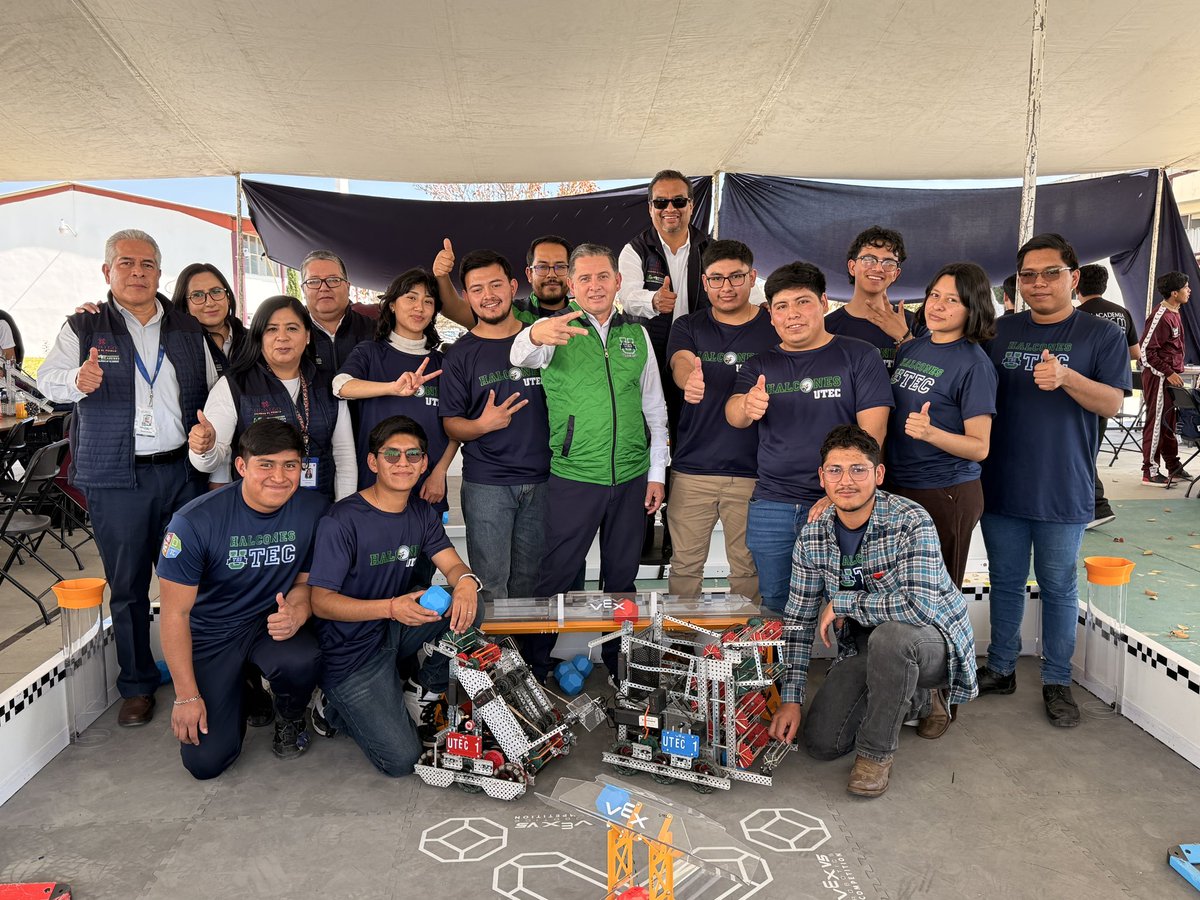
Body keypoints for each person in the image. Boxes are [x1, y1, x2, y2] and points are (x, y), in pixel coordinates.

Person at [37, 228, 217, 727]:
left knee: (195, 580)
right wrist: (77, 380)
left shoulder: (187, 327)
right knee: (129, 585)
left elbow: (213, 388)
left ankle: (205, 674)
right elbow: (47, 381)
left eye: (147, 264)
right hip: (117, 480)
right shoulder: (84, 326)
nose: (137, 272)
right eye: (126, 263)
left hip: (181, 473)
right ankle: (136, 685)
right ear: (107, 271)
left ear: (159, 272)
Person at [768, 425, 977, 798]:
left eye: (858, 470)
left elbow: (918, 609)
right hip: (865, 645)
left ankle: (876, 754)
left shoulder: (910, 520)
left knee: (892, 638)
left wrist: (843, 602)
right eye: (835, 470)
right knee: (821, 743)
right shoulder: (813, 536)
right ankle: (910, 697)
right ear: (822, 477)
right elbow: (799, 621)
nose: (846, 481)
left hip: (929, 641)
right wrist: (791, 700)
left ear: (878, 474)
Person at [977, 233, 1131, 727]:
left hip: (1064, 485)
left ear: (1073, 277)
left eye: (1050, 273)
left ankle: (1057, 680)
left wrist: (1067, 378)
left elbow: (1113, 403)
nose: (1038, 283)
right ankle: (1001, 667)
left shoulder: (1100, 335)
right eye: (1028, 275)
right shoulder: (998, 331)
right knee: (1004, 580)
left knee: (1058, 585)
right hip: (1000, 483)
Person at [510, 243, 669, 682]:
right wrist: (535, 335)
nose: (595, 286)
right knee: (556, 576)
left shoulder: (636, 336)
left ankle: (621, 666)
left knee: (622, 580)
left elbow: (655, 410)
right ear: (571, 285)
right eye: (584, 278)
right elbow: (518, 354)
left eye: (603, 277)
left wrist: (657, 474)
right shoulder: (555, 329)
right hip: (575, 478)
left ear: (617, 281)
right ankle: (534, 666)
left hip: (632, 478)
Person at [307, 416, 483, 777]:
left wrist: (466, 581)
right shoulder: (341, 520)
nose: (403, 463)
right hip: (351, 652)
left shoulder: (421, 512)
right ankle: (330, 705)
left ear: (424, 462)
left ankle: (421, 689)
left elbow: (452, 565)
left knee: (471, 603)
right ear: (373, 462)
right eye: (392, 455)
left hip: (395, 628)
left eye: (412, 455)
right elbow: (320, 601)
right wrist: (390, 608)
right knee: (402, 760)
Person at [158, 420, 329, 778]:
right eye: (266, 464)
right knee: (206, 763)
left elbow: (304, 583)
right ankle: (246, 687)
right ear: (241, 466)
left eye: (290, 465)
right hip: (213, 633)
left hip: (268, 624)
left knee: (302, 657)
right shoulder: (193, 522)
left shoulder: (313, 509)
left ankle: (290, 715)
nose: (279, 477)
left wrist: (298, 611)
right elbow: (175, 615)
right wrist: (186, 696)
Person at [725, 262, 892, 613]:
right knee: (776, 605)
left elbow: (872, 436)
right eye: (782, 306)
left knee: (847, 606)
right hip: (773, 504)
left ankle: (843, 653)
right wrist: (746, 404)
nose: (793, 314)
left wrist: (836, 494)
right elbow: (734, 414)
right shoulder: (760, 365)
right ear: (771, 315)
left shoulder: (860, 355)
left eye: (803, 302)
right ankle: (785, 654)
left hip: (844, 503)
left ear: (824, 303)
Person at [664, 239, 777, 600]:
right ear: (705, 282)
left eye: (736, 277)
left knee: (747, 570)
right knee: (684, 568)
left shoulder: (774, 325)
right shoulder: (688, 325)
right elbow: (681, 360)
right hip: (692, 471)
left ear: (752, 277)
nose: (726, 286)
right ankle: (679, 638)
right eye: (716, 278)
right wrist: (689, 381)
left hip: (753, 472)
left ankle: (748, 638)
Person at [440, 249, 550, 605]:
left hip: (545, 480)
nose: (488, 295)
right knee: (490, 586)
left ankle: (525, 645)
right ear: (467, 296)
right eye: (477, 289)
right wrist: (482, 425)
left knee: (531, 584)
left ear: (513, 286)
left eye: (495, 285)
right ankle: (493, 645)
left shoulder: (542, 340)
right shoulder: (460, 354)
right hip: (487, 484)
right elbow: (451, 425)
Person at [886, 262, 997, 587]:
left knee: (936, 595)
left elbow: (979, 447)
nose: (937, 305)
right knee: (898, 589)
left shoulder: (975, 365)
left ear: (972, 308)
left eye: (952, 300)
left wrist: (931, 433)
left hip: (944, 492)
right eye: (935, 295)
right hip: (898, 486)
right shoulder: (912, 348)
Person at [188, 296, 356, 501]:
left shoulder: (328, 384)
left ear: (307, 336)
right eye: (272, 329)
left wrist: (343, 508)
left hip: (319, 507)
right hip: (259, 511)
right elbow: (209, 464)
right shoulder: (234, 386)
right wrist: (205, 449)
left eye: (292, 328)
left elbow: (344, 455)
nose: (282, 337)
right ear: (259, 337)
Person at [333, 269, 458, 510]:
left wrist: (440, 472)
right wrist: (391, 387)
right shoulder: (370, 353)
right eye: (411, 298)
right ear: (392, 305)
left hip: (427, 487)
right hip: (375, 486)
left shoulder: (442, 364)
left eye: (428, 301)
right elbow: (341, 386)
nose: (419, 307)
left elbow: (456, 426)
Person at [1076, 263, 1140, 522]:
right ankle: (1094, 505)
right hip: (1111, 388)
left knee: (1081, 451)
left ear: (1076, 285)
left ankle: (1096, 506)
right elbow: (1135, 353)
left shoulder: (1076, 316)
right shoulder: (1122, 313)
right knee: (1088, 449)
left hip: (1082, 390)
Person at [824, 226, 915, 371]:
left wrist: (904, 337)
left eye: (889, 263)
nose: (878, 268)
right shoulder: (826, 327)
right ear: (852, 267)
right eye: (869, 260)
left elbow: (935, 377)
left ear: (896, 274)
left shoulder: (914, 323)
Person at [1140, 271, 1192, 487]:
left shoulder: (1175, 313)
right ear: (1174, 293)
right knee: (1156, 423)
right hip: (1159, 378)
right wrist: (1168, 372)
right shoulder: (1161, 316)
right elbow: (1145, 352)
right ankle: (1150, 471)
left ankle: (1173, 466)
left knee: (1168, 423)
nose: (1189, 290)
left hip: (1170, 378)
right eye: (1185, 287)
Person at [299, 250, 377, 377]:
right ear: (303, 290)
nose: (324, 288)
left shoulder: (376, 331)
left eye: (333, 280)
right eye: (313, 281)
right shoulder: (292, 336)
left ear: (348, 287)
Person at [170, 263, 247, 375]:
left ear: (228, 298)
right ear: (185, 305)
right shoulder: (175, 348)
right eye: (197, 295)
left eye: (216, 292)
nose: (210, 303)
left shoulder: (254, 341)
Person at [517, 235, 575, 319]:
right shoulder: (510, 314)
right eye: (542, 267)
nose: (551, 275)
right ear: (529, 274)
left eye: (560, 267)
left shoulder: (586, 316)